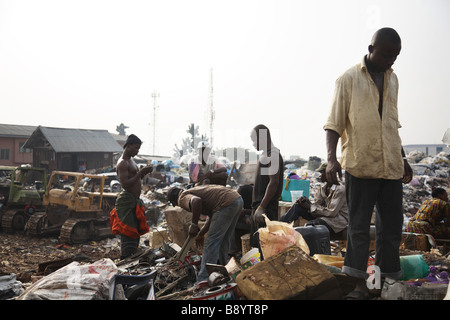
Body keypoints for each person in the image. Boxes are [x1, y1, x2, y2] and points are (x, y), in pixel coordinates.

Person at [323, 28, 413, 299]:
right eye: (387, 54)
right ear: (371, 48)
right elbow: (334, 123)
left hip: (391, 167)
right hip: (360, 165)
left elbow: (391, 125)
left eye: (396, 55)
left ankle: (385, 282)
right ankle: (358, 283)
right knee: (359, 226)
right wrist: (331, 160)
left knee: (391, 226)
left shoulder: (393, 79)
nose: (391, 60)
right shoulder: (348, 79)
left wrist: (404, 159)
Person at [167, 185, 243, 283]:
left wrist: (194, 225)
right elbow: (212, 216)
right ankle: (225, 269)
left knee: (211, 242)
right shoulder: (195, 191)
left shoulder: (182, 197)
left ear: (174, 201)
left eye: (174, 204)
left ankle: (203, 279)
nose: (176, 205)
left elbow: (196, 201)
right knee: (224, 240)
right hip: (237, 200)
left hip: (226, 204)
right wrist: (201, 233)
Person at [110, 134, 154, 259]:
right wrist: (140, 173)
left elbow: (134, 179)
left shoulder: (131, 160)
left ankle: (131, 258)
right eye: (135, 148)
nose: (137, 151)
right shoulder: (123, 163)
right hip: (127, 200)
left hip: (134, 200)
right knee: (128, 231)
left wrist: (143, 172)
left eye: (138, 149)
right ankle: (125, 259)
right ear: (128, 146)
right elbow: (125, 184)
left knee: (135, 231)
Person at [280, 163, 348, 237]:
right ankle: (278, 228)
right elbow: (318, 205)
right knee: (298, 207)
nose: (319, 175)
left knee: (311, 226)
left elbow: (331, 213)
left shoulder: (340, 190)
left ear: (330, 174)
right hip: (323, 216)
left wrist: (310, 207)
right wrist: (307, 202)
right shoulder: (323, 188)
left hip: (336, 222)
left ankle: (310, 247)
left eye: (322, 173)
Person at [249, 124, 284, 254]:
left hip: (266, 210)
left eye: (254, 139)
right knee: (259, 249)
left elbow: (273, 183)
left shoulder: (273, 155)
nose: (253, 143)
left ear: (263, 138)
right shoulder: (266, 155)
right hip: (259, 208)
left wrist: (262, 207)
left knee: (266, 250)